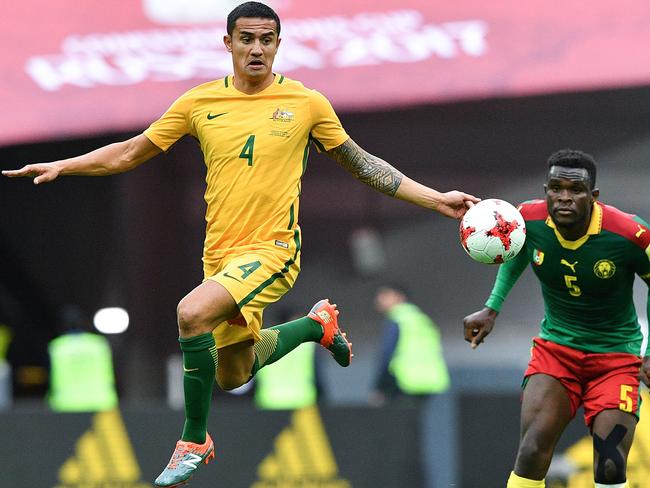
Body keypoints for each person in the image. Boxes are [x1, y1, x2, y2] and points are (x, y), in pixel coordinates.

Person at [3, 2, 478, 486]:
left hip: (272, 251)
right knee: (233, 374)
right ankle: (315, 326)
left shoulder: (307, 103)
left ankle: (193, 437)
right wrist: (65, 165)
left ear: (278, 44)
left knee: (191, 314)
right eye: (247, 38)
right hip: (221, 258)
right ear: (227, 43)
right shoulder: (198, 103)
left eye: (267, 39)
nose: (257, 48)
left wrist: (436, 199)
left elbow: (361, 163)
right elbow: (130, 151)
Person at [463, 149, 650, 488]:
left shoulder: (629, 233)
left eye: (575, 190)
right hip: (556, 352)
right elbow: (515, 252)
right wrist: (492, 307)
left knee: (609, 464)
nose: (564, 197)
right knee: (532, 451)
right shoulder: (525, 220)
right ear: (545, 189)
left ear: (593, 196)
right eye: (555, 188)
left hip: (616, 359)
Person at [369, 284, 450, 407]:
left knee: (401, 422)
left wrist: (380, 386)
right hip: (429, 378)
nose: (379, 299)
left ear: (399, 297)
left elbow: (387, 354)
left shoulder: (398, 319)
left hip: (404, 381)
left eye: (386, 295)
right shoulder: (421, 319)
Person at [47, 305, 119, 412]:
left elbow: (50, 375)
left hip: (66, 404)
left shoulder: (58, 347)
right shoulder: (99, 344)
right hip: (101, 402)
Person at [254, 307, 326, 410]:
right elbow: (318, 376)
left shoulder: (264, 344)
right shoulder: (308, 346)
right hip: (303, 402)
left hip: (269, 402)